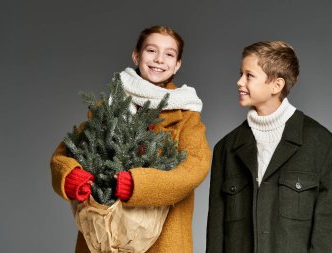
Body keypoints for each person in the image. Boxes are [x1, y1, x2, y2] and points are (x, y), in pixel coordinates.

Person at [50, 25, 211, 253]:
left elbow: (196, 166)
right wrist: (70, 175)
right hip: (103, 235)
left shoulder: (186, 113)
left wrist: (138, 185)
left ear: (177, 64)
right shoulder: (111, 103)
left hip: (163, 238)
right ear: (136, 55)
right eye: (151, 50)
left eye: (169, 54)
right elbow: (66, 151)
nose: (159, 60)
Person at [206, 41, 332, 253]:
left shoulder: (323, 145)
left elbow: (331, 239)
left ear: (276, 85)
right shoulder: (226, 149)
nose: (239, 81)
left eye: (249, 75)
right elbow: (216, 236)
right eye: (240, 74)